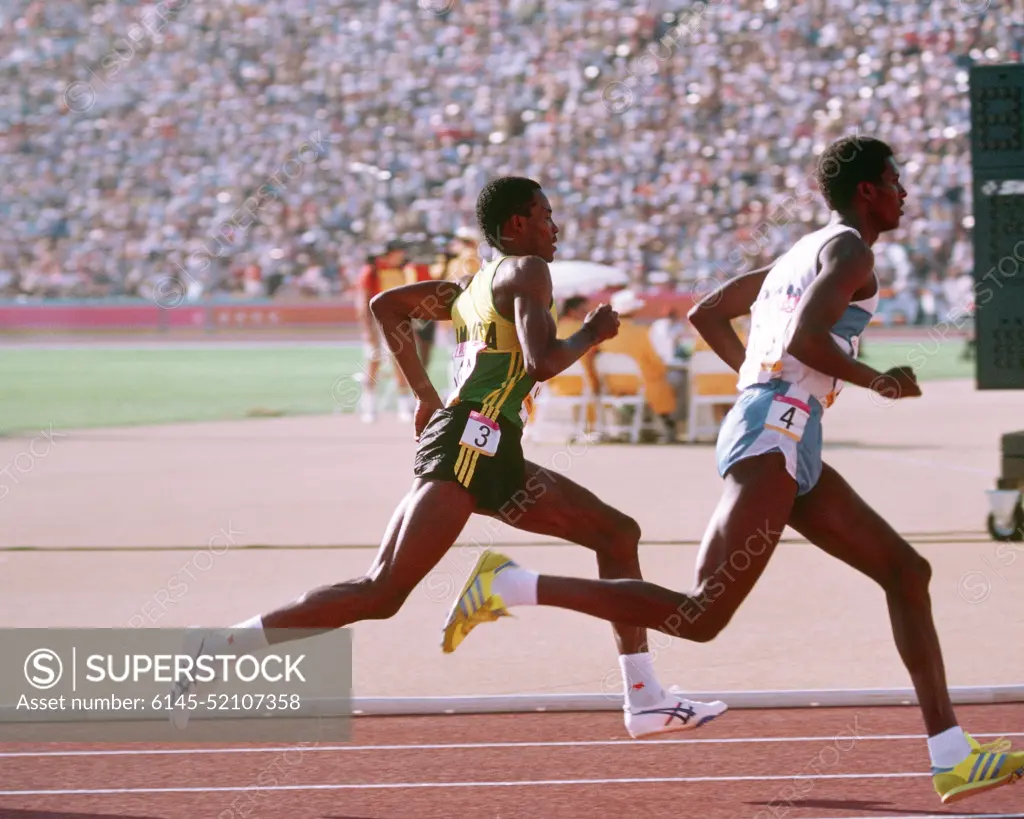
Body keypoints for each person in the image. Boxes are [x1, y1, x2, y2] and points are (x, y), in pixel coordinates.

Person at [442, 139, 1024, 803]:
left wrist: (758, 376)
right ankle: (511, 585)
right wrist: (875, 380)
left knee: (905, 571)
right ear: (866, 190)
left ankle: (950, 753)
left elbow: (707, 310)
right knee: (701, 613)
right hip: (775, 429)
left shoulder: (800, 254)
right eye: (895, 181)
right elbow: (805, 337)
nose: (904, 193)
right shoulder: (851, 252)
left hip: (785, 429)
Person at [170, 176, 727, 740]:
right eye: (546, 216)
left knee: (615, 534)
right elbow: (540, 362)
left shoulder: (471, 287)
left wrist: (425, 396)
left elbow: (387, 307)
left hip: (488, 447)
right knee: (381, 592)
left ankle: (644, 697)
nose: (555, 228)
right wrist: (591, 333)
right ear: (516, 225)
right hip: (471, 444)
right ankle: (220, 646)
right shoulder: (528, 271)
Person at [356, 240, 417, 423]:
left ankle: (403, 406)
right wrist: (368, 328)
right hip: (377, 322)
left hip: (397, 322)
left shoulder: (404, 269)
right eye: (399, 252)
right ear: (391, 253)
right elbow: (362, 300)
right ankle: (369, 406)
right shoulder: (372, 270)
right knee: (373, 362)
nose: (402, 255)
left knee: (400, 363)